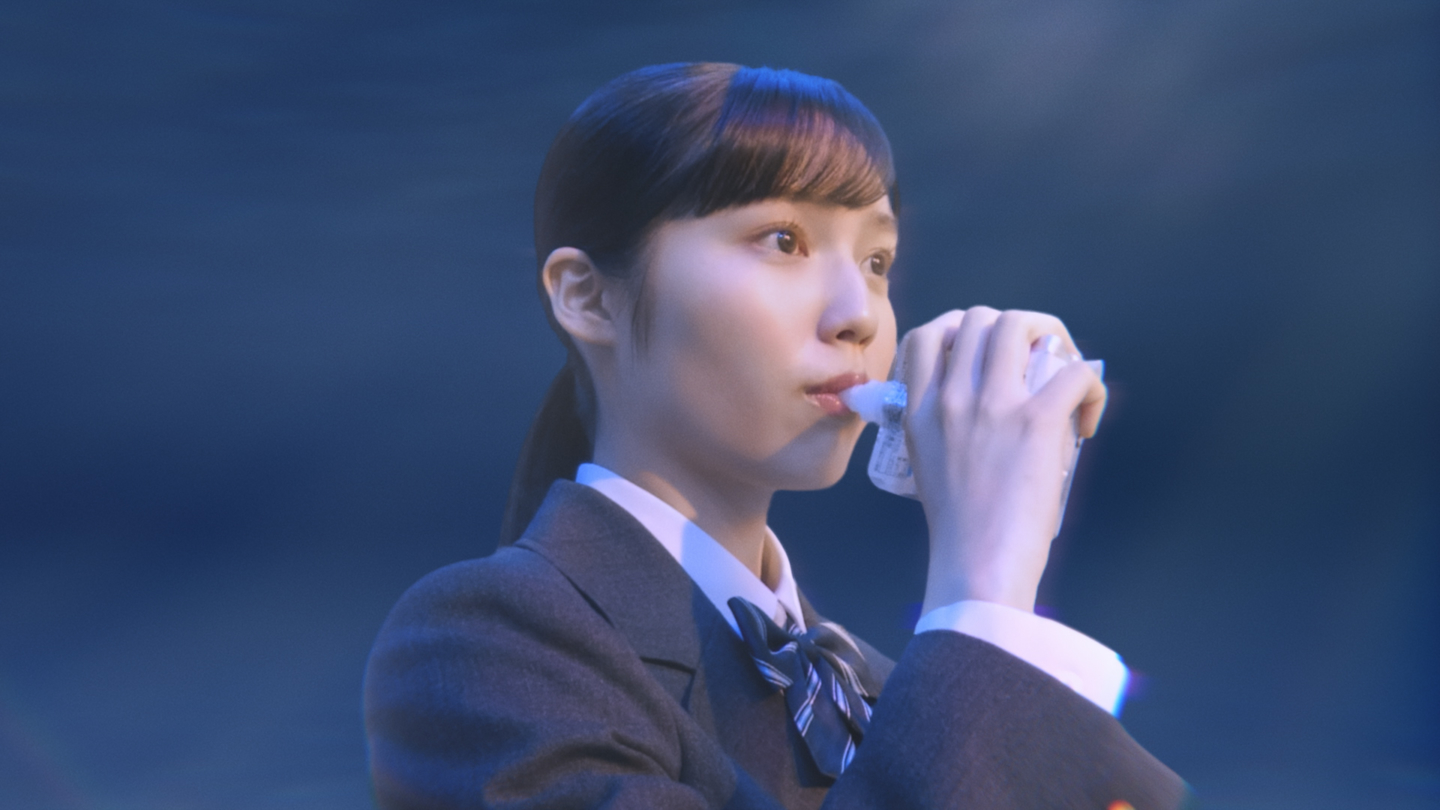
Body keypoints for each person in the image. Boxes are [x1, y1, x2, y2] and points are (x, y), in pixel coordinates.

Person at [364, 62, 1191, 809]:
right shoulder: (484, 643)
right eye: (783, 240)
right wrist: (983, 589)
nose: (859, 315)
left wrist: (992, 615)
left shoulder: (892, 685)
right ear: (588, 297)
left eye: (876, 261)